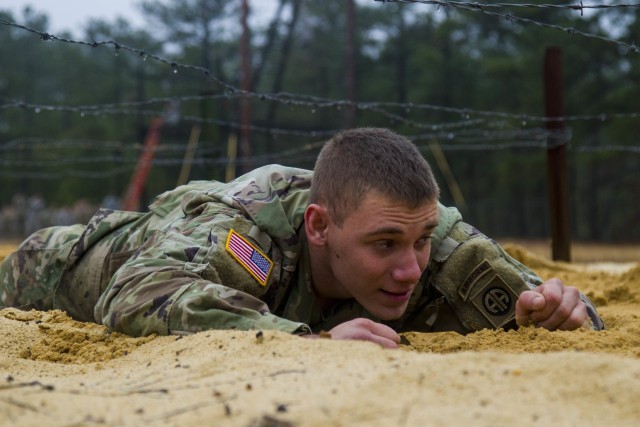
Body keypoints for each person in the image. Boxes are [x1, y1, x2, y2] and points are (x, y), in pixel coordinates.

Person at [0, 128, 603, 348]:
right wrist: (305, 338)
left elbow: (544, 306)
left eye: (419, 242)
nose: (411, 268)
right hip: (64, 264)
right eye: (385, 245)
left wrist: (562, 311)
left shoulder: (425, 230)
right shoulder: (242, 231)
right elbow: (136, 292)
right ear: (319, 227)